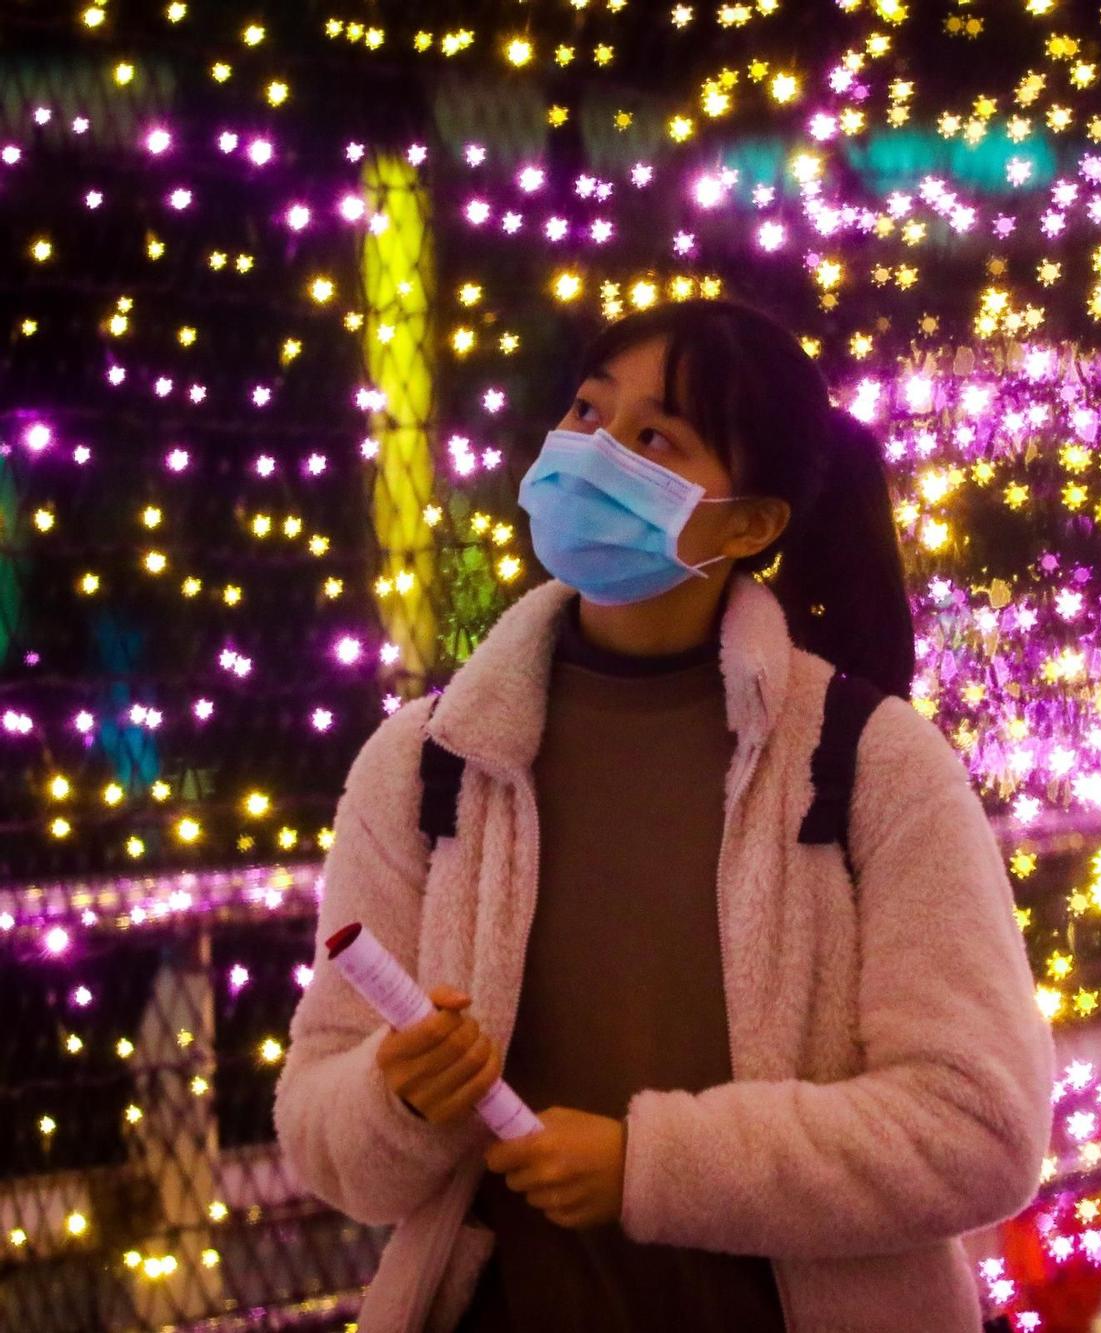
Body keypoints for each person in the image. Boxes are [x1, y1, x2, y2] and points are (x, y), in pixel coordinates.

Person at [274, 297, 1055, 1332]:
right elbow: (327, 1137)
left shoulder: (866, 761)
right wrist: (399, 1097)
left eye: (654, 438)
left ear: (750, 523)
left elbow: (976, 1125)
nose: (591, 455)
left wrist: (653, 1166)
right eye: (587, 413)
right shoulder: (431, 760)